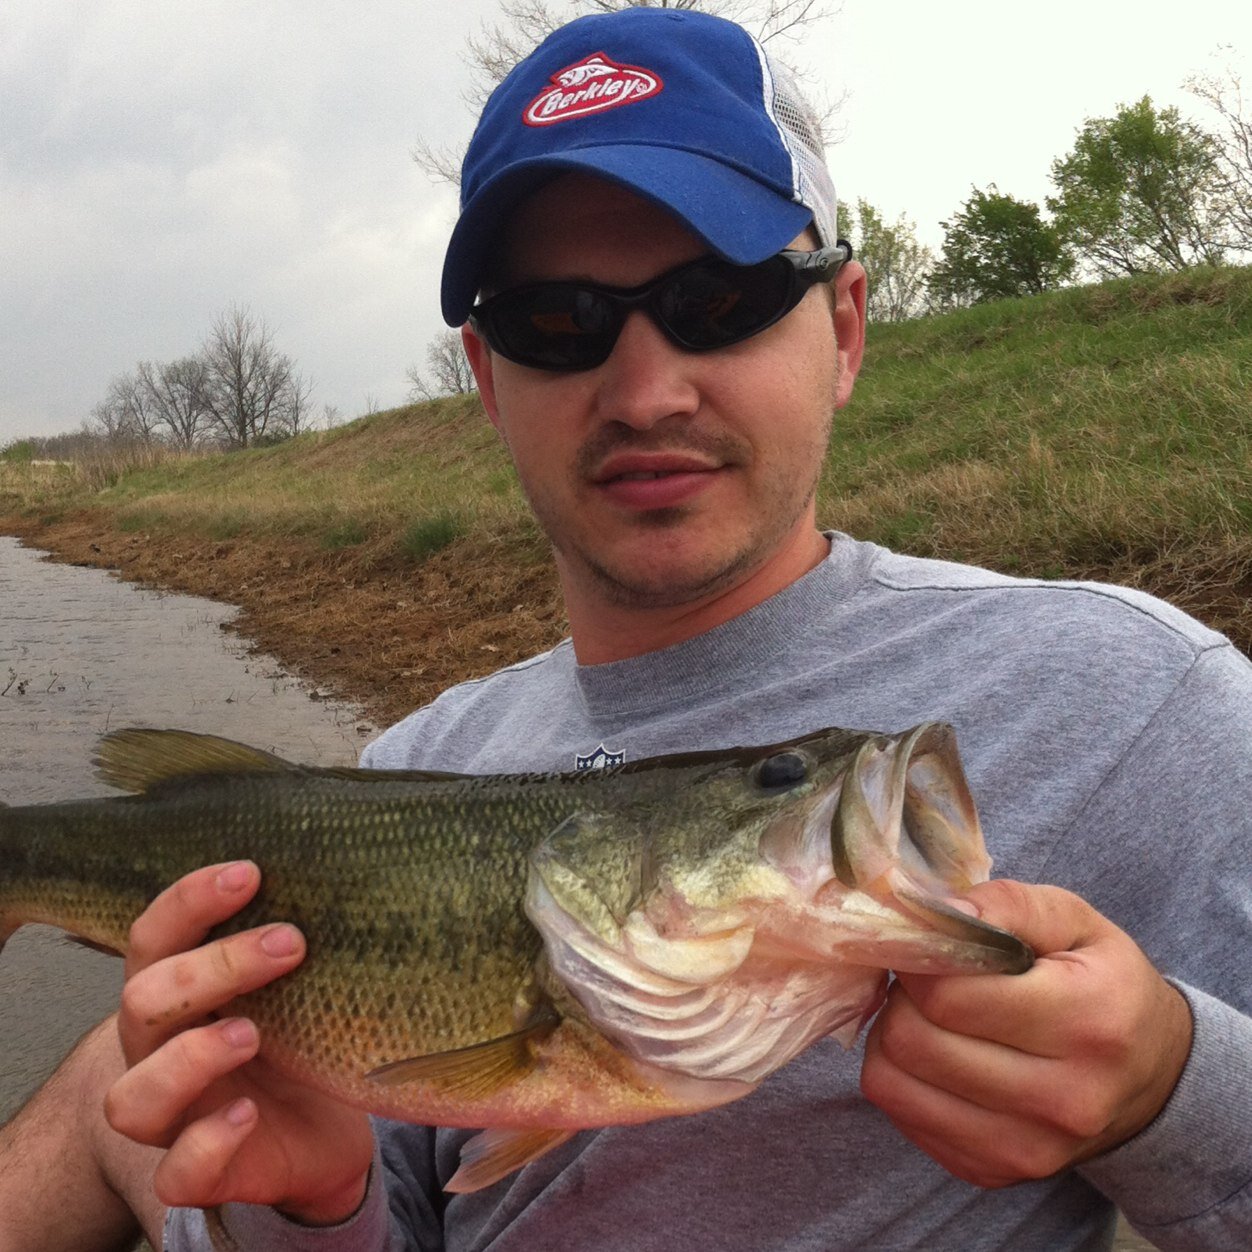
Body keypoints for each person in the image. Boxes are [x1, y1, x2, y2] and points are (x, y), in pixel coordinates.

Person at [1, 8, 1248, 1250]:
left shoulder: (1135, 698)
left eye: (721, 297)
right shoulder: (406, 768)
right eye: (560, 322)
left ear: (848, 327)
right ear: (490, 382)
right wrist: (308, 1202)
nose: (648, 390)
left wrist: (1170, 1091)